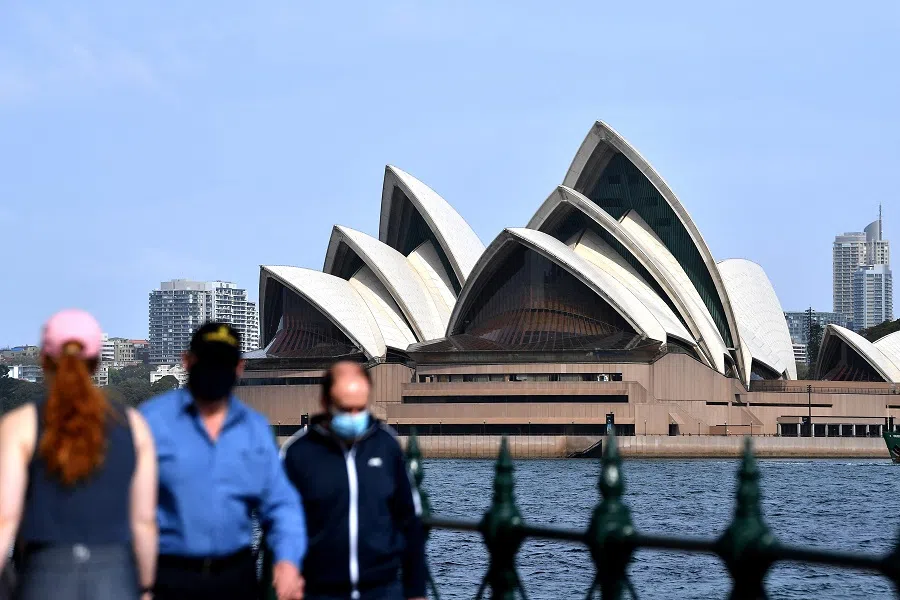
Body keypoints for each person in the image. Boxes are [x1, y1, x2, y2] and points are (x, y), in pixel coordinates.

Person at [140, 322, 306, 600]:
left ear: (239, 367)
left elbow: (281, 504)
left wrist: (288, 560)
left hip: (235, 575)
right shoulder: (152, 422)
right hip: (169, 575)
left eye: (223, 362)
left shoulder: (254, 428)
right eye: (208, 361)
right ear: (187, 361)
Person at [0, 309, 158, 600]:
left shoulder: (19, 425)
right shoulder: (134, 426)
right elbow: (144, 521)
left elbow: (5, 519)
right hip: (115, 575)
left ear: (44, 360)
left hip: (44, 574)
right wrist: (147, 586)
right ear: (97, 362)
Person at [281, 361, 427, 600]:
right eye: (345, 409)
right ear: (325, 403)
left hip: (382, 589)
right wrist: (287, 565)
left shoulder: (386, 446)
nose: (353, 416)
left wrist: (416, 591)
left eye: (359, 408)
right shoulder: (298, 453)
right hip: (319, 591)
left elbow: (410, 521)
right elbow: (282, 520)